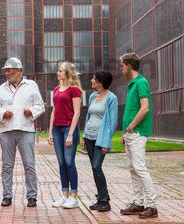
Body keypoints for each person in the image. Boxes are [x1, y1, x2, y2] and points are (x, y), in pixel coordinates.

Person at [0, 57, 45, 208]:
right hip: (7, 130)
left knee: (29, 164)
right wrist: (2, 113)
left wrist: (31, 111)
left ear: (18, 70)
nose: (7, 73)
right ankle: (7, 196)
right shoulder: (1, 88)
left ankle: (32, 197)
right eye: (6, 70)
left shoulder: (31, 85)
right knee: (7, 165)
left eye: (9, 70)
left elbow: (40, 105)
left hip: (26, 130)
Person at [119, 53, 158, 219]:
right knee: (133, 168)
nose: (121, 68)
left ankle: (152, 205)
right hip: (130, 133)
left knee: (140, 168)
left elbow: (145, 108)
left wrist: (132, 126)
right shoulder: (132, 84)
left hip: (138, 132)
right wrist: (125, 132)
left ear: (128, 65)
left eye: (122, 65)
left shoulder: (141, 82)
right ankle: (138, 202)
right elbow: (132, 110)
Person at [81, 70, 118, 212]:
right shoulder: (92, 96)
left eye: (94, 78)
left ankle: (105, 200)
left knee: (97, 167)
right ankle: (100, 200)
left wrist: (106, 142)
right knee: (94, 169)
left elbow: (113, 122)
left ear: (101, 82)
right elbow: (88, 117)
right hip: (89, 136)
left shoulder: (111, 98)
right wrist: (84, 135)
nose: (91, 80)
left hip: (100, 138)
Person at [48, 62, 82, 209]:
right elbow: (54, 111)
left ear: (67, 73)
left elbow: (77, 113)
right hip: (56, 129)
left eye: (60, 70)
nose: (57, 72)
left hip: (69, 128)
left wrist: (70, 134)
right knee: (61, 163)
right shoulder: (56, 89)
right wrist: (50, 132)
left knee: (69, 162)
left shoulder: (74, 90)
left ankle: (74, 197)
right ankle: (64, 195)